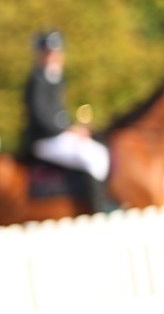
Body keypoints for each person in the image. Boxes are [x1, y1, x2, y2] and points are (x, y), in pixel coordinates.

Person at [22, 30, 111, 211]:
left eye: (56, 52)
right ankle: (98, 209)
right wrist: (67, 130)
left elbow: (58, 113)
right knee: (91, 156)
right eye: (49, 52)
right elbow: (42, 117)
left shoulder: (56, 78)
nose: (53, 56)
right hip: (44, 139)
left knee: (99, 150)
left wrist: (74, 127)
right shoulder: (37, 81)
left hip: (58, 133)